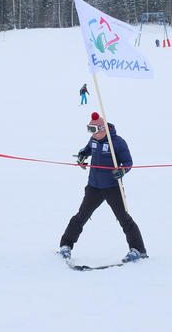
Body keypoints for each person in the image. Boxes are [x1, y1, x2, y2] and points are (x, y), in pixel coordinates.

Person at [59, 112, 147, 263]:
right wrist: (81, 156)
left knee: (124, 219)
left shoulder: (117, 143)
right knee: (81, 217)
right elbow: (87, 150)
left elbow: (128, 162)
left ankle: (138, 250)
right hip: (94, 186)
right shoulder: (93, 140)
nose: (91, 134)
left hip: (113, 187)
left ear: (102, 129)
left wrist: (122, 170)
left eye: (93, 130)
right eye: (89, 129)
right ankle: (66, 245)